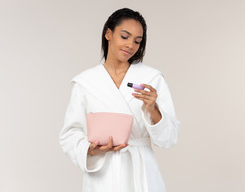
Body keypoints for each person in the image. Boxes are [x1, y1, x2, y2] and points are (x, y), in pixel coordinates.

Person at [59, 8, 181, 192]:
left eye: (137, 41)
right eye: (125, 36)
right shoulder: (85, 82)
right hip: (102, 175)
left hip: (141, 172)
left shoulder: (151, 78)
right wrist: (91, 150)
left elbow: (168, 139)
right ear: (109, 33)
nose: (130, 45)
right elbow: (70, 134)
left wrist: (153, 108)